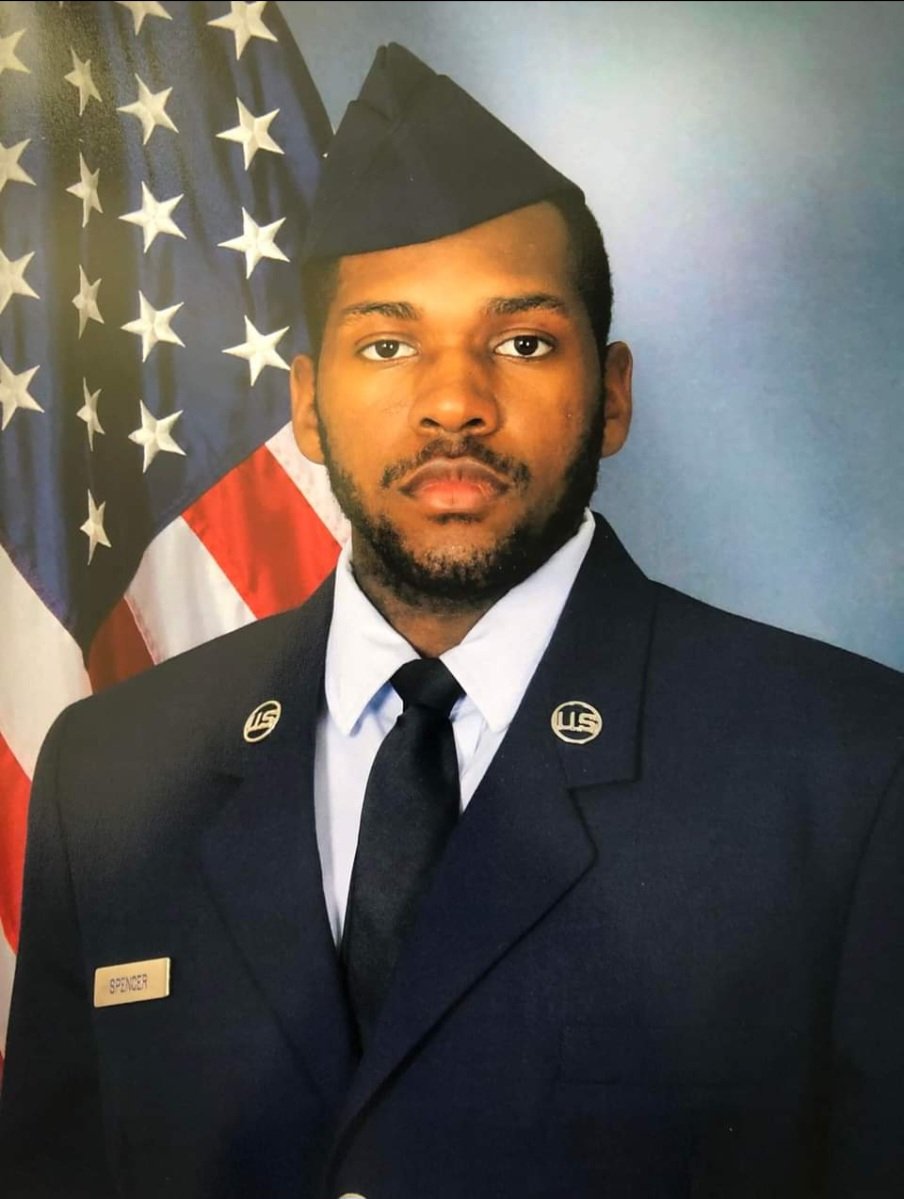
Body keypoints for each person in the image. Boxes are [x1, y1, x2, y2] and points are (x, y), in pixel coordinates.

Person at [1, 42, 902, 1199]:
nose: (452, 400)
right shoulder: (113, 774)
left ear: (613, 393)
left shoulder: (844, 774)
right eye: (387, 342)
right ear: (308, 409)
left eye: (520, 341)